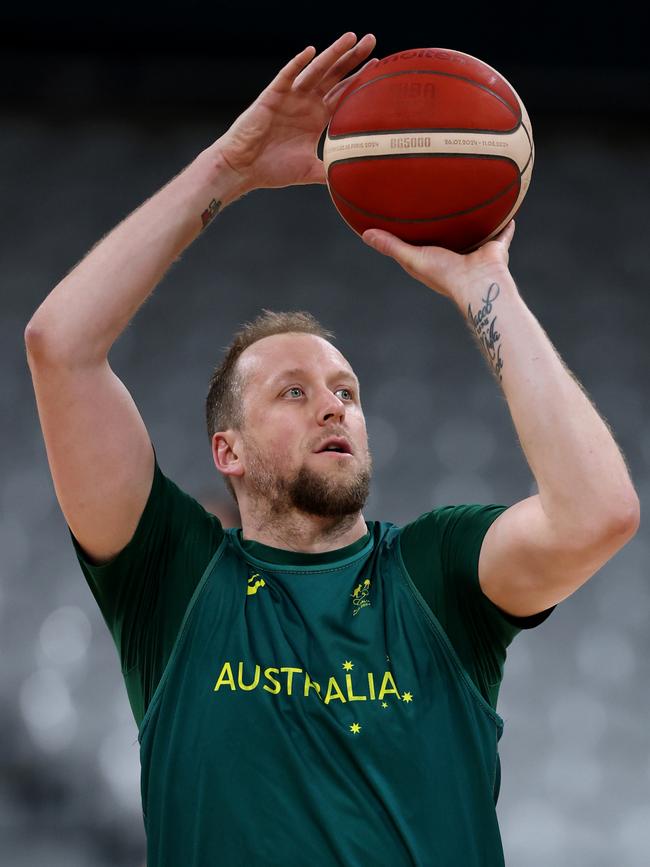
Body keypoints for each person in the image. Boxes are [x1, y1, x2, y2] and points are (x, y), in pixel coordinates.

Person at [24, 31, 639, 867]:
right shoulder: (172, 581)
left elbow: (599, 513)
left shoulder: (434, 574)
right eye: (294, 390)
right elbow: (59, 345)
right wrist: (227, 170)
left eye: (347, 390)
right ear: (227, 450)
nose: (334, 406)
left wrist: (486, 287)